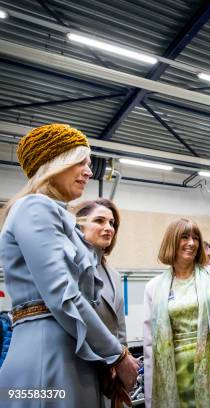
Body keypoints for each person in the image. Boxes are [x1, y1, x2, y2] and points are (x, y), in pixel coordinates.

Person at [0, 124, 139, 407]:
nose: (89, 171)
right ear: (54, 161)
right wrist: (118, 354)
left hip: (72, 351)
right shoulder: (34, 208)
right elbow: (63, 293)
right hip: (48, 354)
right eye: (81, 162)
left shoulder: (61, 220)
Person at [143, 218, 210, 407]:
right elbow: (150, 344)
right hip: (175, 374)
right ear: (172, 241)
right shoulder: (153, 287)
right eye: (184, 237)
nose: (191, 243)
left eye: (196, 238)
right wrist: (151, 395)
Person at [73, 198, 128, 408]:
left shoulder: (113, 275)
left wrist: (121, 363)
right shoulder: (72, 265)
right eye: (100, 221)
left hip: (111, 373)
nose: (108, 228)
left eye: (112, 223)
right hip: (81, 365)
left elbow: (119, 328)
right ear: (79, 225)